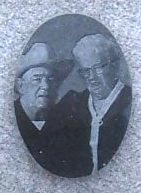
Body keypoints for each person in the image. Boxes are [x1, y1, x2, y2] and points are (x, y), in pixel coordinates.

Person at [15, 43, 93, 178]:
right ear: (20, 86)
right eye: (37, 79)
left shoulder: (69, 123)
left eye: (51, 79)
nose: (45, 86)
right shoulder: (8, 121)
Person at [73, 34, 132, 171]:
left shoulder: (128, 100)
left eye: (98, 68)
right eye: (86, 71)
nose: (92, 78)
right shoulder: (75, 104)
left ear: (115, 65)